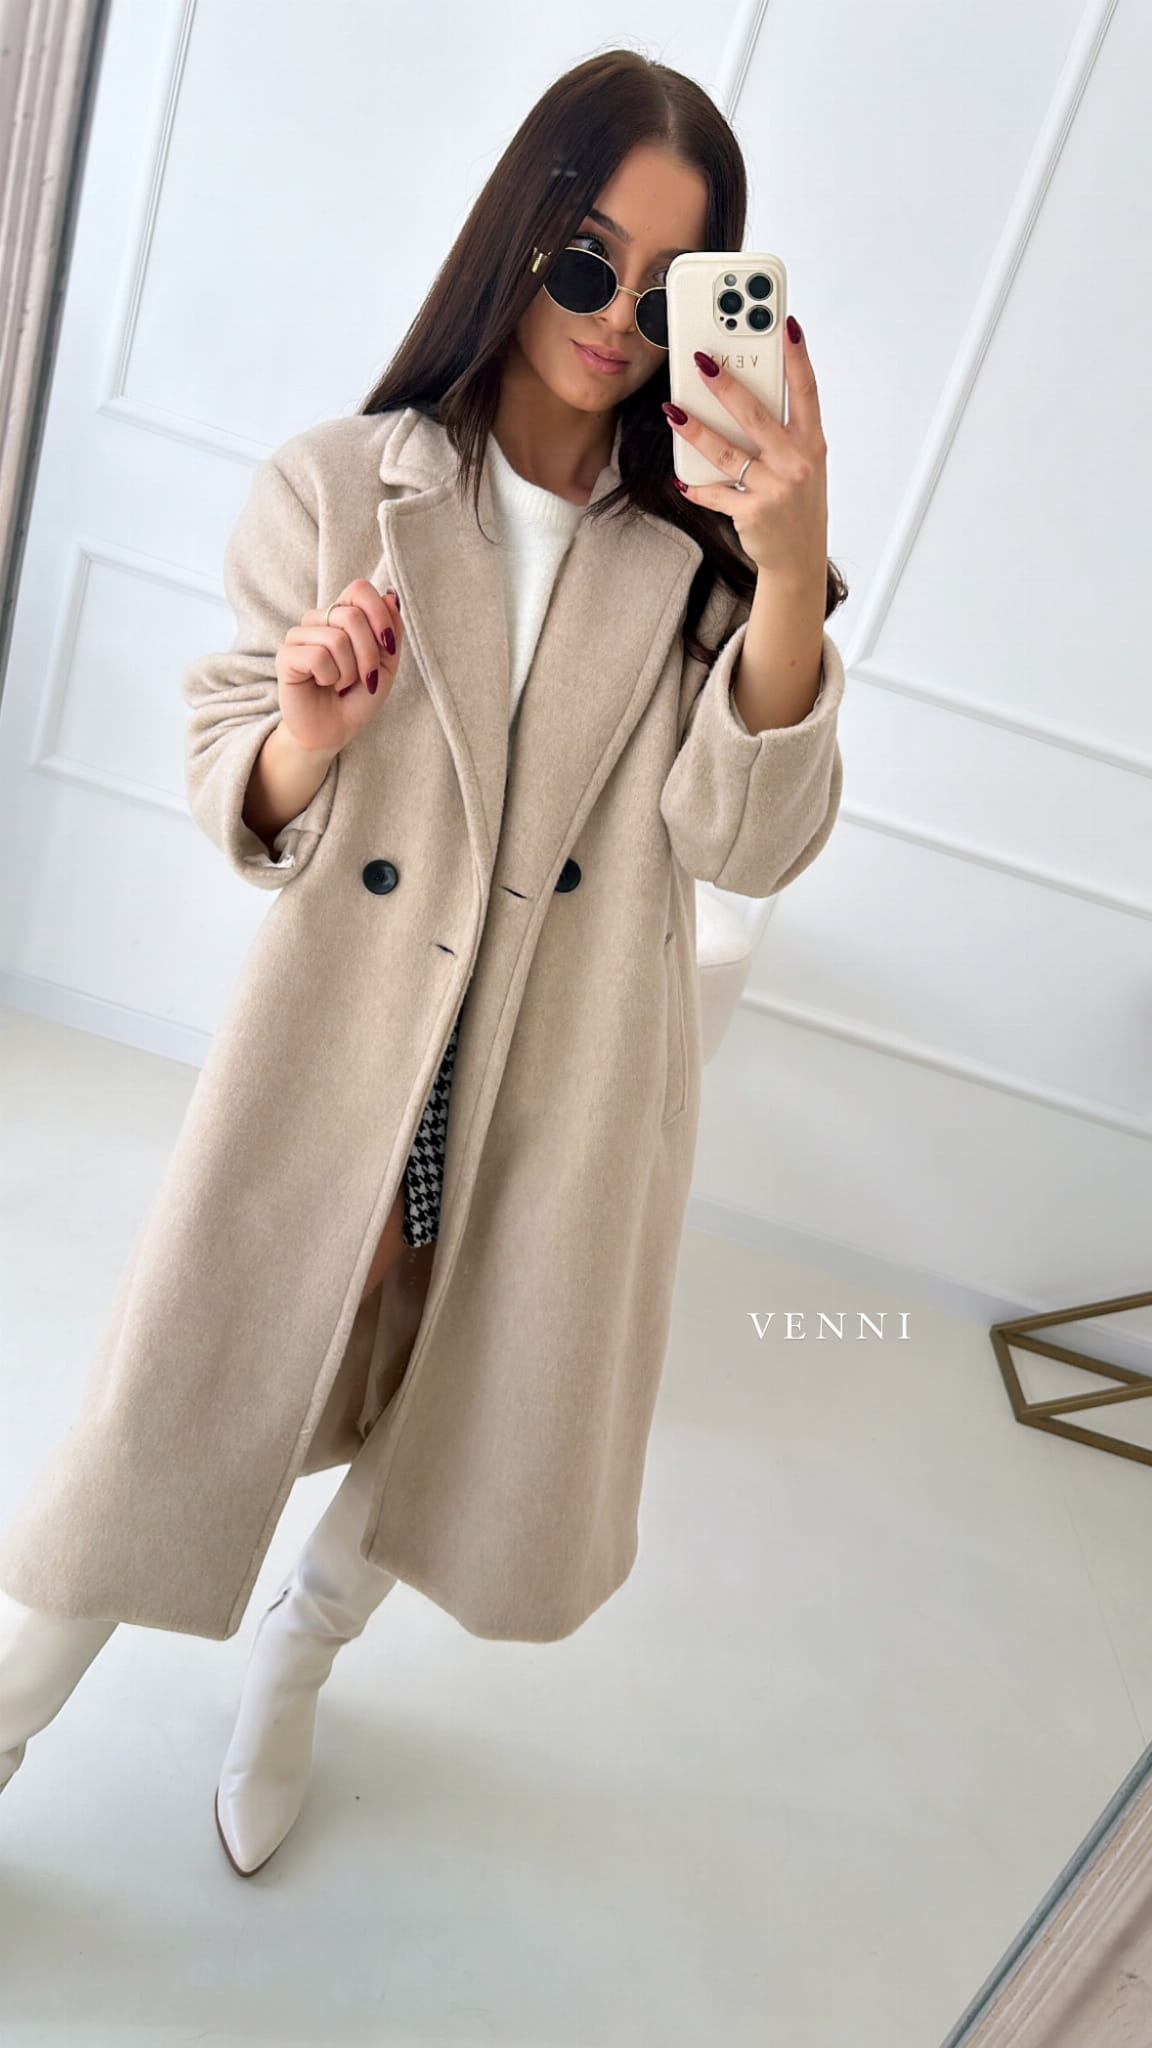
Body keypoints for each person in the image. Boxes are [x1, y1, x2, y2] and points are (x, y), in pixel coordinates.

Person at [0, 47, 848, 1877]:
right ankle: (10, 1709)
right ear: (518, 238)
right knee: (176, 1413)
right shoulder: (338, 486)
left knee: (465, 1402)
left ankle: (303, 1655)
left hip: (568, 1075)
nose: (616, 319)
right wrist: (306, 732)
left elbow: (748, 842)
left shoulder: (707, 563)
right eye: (587, 259)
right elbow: (241, 778)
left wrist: (788, 573)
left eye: (667, 290)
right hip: (348, 1048)